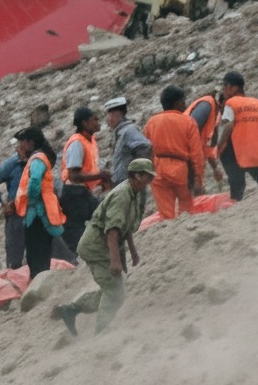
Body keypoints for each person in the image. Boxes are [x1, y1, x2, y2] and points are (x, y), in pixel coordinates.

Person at [53, 157, 155, 335]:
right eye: (148, 176)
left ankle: (71, 310)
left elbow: (126, 225)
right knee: (115, 292)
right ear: (137, 176)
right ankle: (101, 331)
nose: (150, 181)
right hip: (96, 247)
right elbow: (112, 231)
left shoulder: (135, 193)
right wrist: (115, 261)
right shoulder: (122, 195)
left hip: (104, 246)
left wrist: (133, 251)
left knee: (113, 290)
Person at [141, 86, 205, 219]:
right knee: (186, 209)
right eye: (184, 101)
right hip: (181, 170)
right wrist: (198, 179)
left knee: (165, 214)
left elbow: (146, 150)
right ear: (179, 103)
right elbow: (197, 154)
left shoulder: (151, 122)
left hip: (157, 169)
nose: (185, 104)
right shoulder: (188, 122)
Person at [58, 107, 112, 256]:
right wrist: (100, 176)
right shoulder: (77, 143)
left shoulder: (89, 140)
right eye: (94, 119)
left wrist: (99, 179)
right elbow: (73, 176)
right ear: (84, 123)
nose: (98, 122)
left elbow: (87, 170)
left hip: (81, 192)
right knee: (76, 234)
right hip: (74, 194)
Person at [12, 127, 65, 276]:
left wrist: (32, 202)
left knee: (37, 256)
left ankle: (39, 282)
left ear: (30, 143)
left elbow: (34, 182)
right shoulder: (39, 158)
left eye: (22, 142)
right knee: (40, 254)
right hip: (40, 213)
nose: (19, 147)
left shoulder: (37, 159)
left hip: (37, 214)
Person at [212, 72, 258, 201]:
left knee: (237, 186)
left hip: (233, 150)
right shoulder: (256, 103)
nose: (224, 89)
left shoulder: (231, 103)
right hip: (253, 150)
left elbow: (228, 126)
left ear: (233, 87)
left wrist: (218, 147)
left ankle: (235, 203)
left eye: (225, 85)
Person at [0, 147, 27, 269]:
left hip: (36, 211)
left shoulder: (39, 159)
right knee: (15, 259)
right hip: (16, 212)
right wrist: (3, 204)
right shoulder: (14, 162)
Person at [105, 97, 152, 186]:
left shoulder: (128, 131)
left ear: (117, 114)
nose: (107, 119)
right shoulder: (121, 133)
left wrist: (139, 174)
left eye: (108, 115)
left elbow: (144, 147)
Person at [185, 92, 226, 190]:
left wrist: (215, 168)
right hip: (185, 157)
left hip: (191, 160)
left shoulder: (215, 115)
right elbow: (189, 131)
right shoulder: (207, 105)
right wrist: (194, 176)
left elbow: (208, 146)